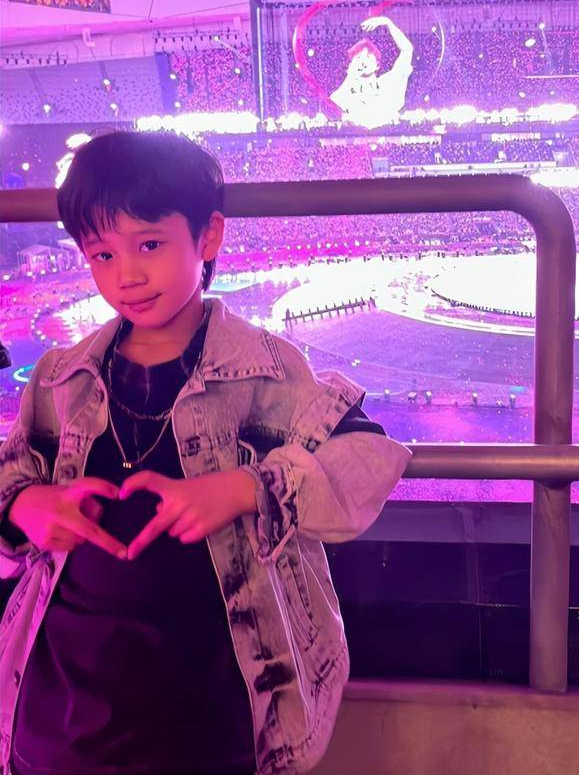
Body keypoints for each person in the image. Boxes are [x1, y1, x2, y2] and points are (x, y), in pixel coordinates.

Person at [0, 131, 411, 775]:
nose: (127, 275)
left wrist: (248, 488)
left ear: (208, 236)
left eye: (150, 245)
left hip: (209, 717)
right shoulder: (60, 377)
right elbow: (13, 475)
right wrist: (24, 505)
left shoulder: (267, 370)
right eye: (102, 254)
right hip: (59, 719)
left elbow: (369, 460)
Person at [329, 15, 414, 130]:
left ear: (377, 65)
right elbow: (333, 106)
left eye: (368, 57)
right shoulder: (346, 94)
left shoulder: (388, 83)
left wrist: (387, 22)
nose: (363, 61)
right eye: (358, 57)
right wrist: (350, 75)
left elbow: (407, 49)